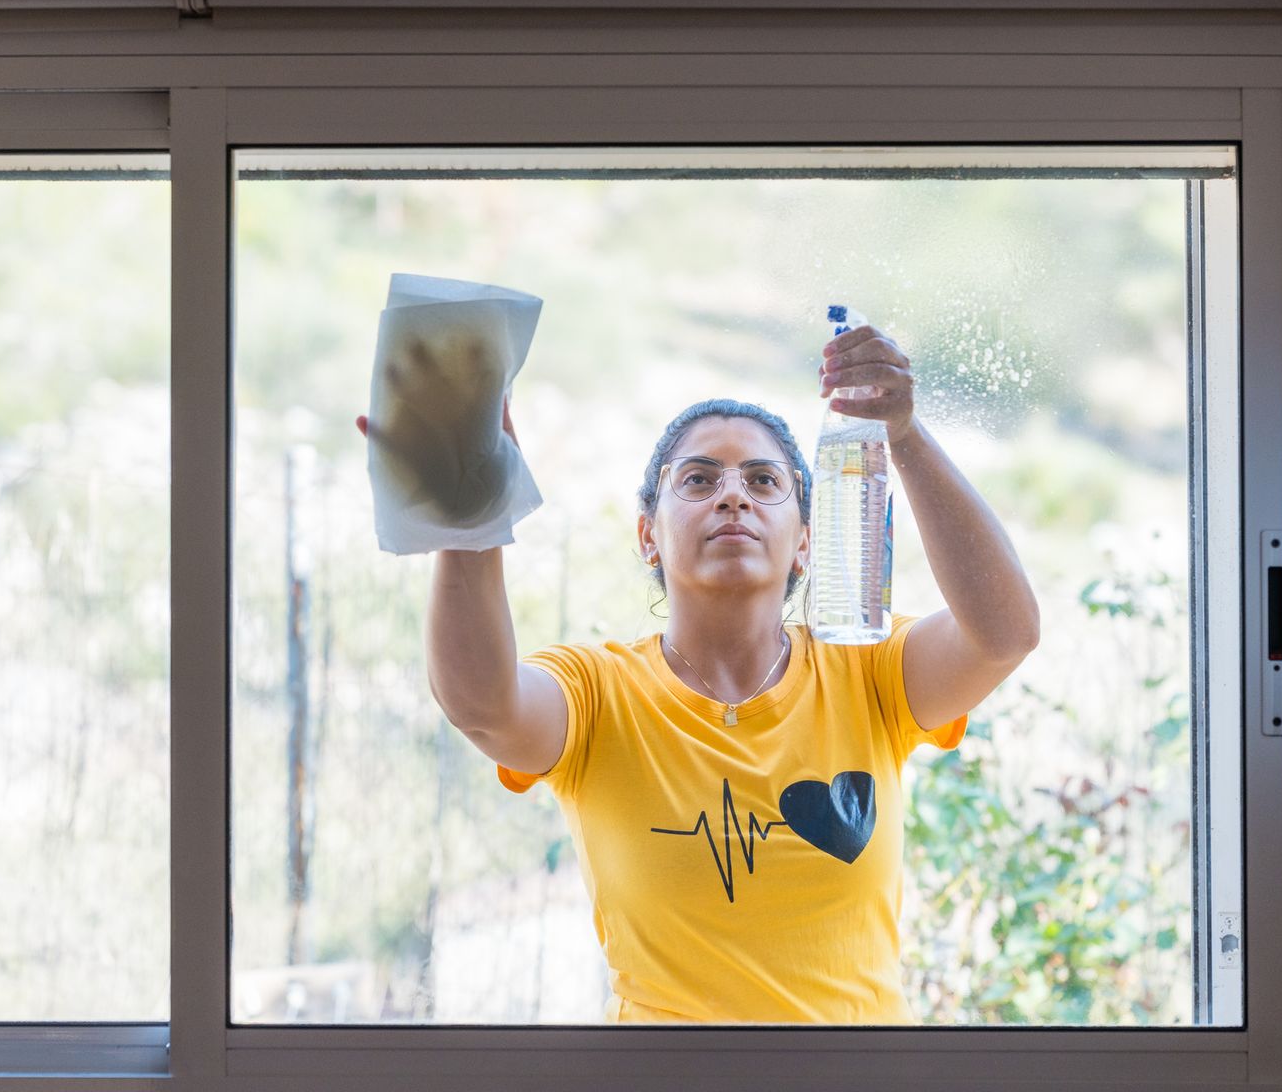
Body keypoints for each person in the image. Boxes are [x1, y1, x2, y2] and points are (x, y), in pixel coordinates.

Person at [360, 322, 1040, 1025]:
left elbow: (1005, 635)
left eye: (764, 480)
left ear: (805, 541)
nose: (733, 495)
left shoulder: (867, 667)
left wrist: (903, 436)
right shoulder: (600, 694)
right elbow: (484, 707)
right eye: (699, 478)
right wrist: (472, 515)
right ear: (647, 532)